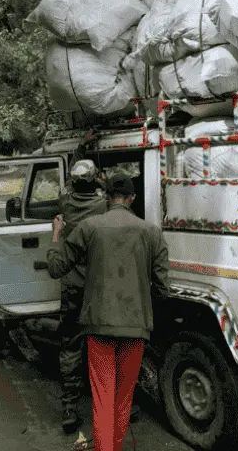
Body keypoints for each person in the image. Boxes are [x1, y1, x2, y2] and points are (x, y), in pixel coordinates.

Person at [46, 174, 170, 451]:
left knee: (103, 396)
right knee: (123, 398)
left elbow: (57, 269)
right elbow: (163, 287)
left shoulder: (90, 227)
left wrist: (56, 237)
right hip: (136, 327)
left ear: (106, 198)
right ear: (132, 199)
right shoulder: (151, 232)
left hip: (98, 326)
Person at [55, 131, 108, 434]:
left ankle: (69, 408)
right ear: (95, 182)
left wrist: (79, 148)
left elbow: (68, 185)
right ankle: (114, 404)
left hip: (73, 288)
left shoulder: (66, 203)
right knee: (104, 343)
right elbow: (101, 187)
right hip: (99, 288)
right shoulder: (103, 207)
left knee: (70, 346)